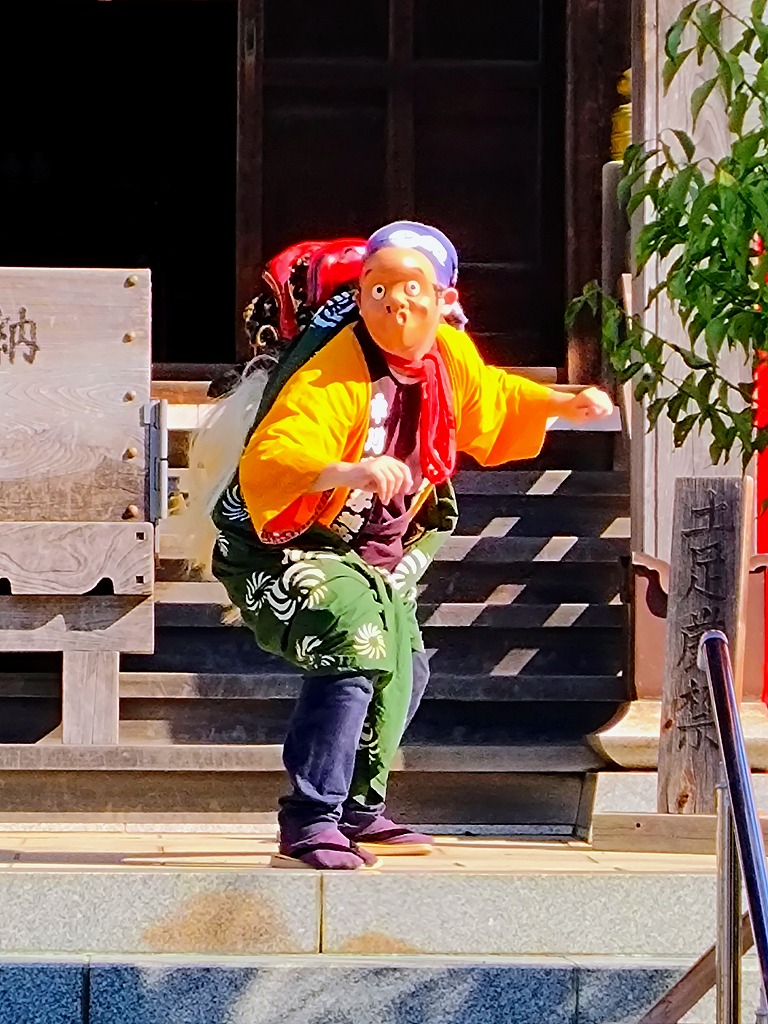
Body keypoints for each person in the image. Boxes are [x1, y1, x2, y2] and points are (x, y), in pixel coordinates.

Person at [195, 221, 613, 870]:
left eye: (412, 289)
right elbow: (278, 452)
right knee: (355, 643)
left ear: (444, 299)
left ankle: (361, 806)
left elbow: (493, 400)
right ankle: (310, 817)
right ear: (362, 294)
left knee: (407, 664)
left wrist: (562, 403)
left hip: (378, 542)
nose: (397, 303)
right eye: (380, 287)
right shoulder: (334, 365)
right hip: (286, 542)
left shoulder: (448, 353)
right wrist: (345, 471)